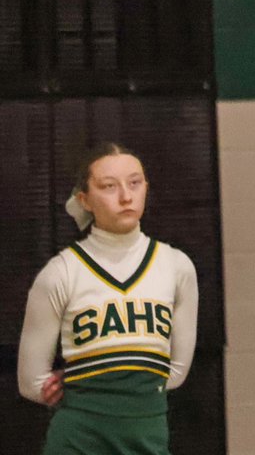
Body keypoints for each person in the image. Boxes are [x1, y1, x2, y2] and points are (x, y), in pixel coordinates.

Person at [17, 142, 198, 455]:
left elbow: (177, 372)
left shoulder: (176, 266)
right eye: (109, 186)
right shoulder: (61, 272)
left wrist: (128, 392)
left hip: (147, 439)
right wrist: (88, 385)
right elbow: (30, 382)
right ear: (84, 200)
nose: (126, 196)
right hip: (77, 442)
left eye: (135, 183)